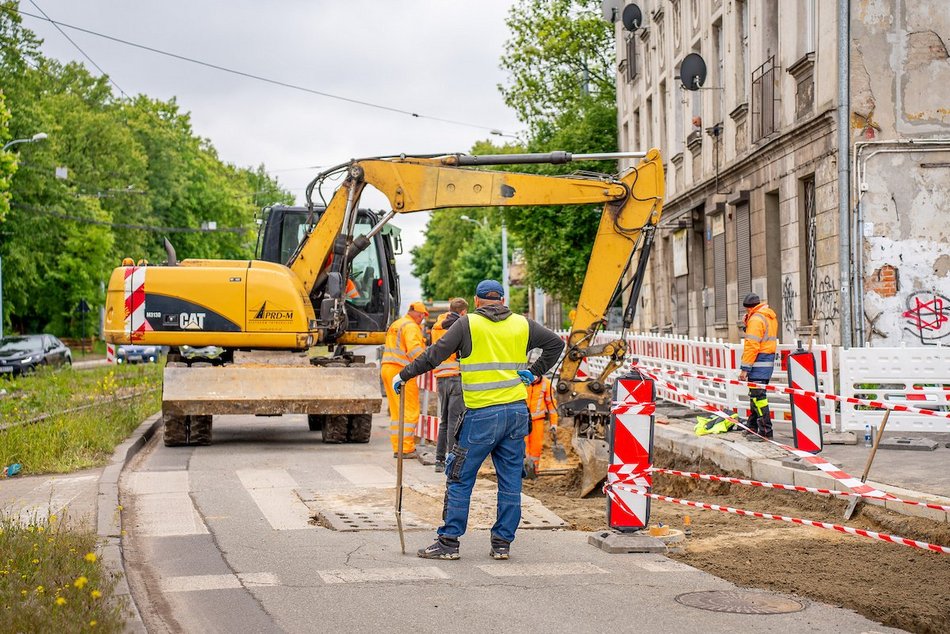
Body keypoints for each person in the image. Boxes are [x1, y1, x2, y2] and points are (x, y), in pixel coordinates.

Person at [393, 280, 564, 560]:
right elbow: (556, 344)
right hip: (515, 413)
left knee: (460, 478)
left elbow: (434, 355)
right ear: (503, 300)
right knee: (510, 481)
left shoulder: (467, 324)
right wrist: (535, 372)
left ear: (476, 301)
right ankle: (502, 544)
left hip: (482, 415)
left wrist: (404, 375)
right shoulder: (522, 324)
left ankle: (449, 543)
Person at [380, 301, 428, 457]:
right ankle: (405, 448)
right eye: (422, 316)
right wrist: (428, 363)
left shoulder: (397, 324)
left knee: (397, 411)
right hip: (402, 371)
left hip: (388, 369)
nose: (422, 319)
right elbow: (414, 351)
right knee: (409, 410)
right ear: (418, 314)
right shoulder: (411, 327)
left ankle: (398, 447)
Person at [431, 297, 469, 473]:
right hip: (455, 376)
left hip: (440, 377)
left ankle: (439, 460)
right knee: (455, 421)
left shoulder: (436, 326)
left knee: (444, 420)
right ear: (463, 312)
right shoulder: (459, 325)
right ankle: (452, 461)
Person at [738, 293, 778, 441]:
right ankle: (753, 426)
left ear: (749, 308)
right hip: (766, 360)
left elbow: (752, 346)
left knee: (758, 397)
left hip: (758, 361)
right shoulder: (768, 316)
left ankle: (766, 431)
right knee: (755, 395)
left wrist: (744, 369)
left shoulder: (756, 319)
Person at [523, 373, 558, 478]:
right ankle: (522, 469)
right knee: (522, 445)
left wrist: (554, 423)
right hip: (523, 419)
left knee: (536, 447)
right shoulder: (524, 381)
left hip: (537, 421)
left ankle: (533, 470)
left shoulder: (546, 383)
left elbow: (551, 405)